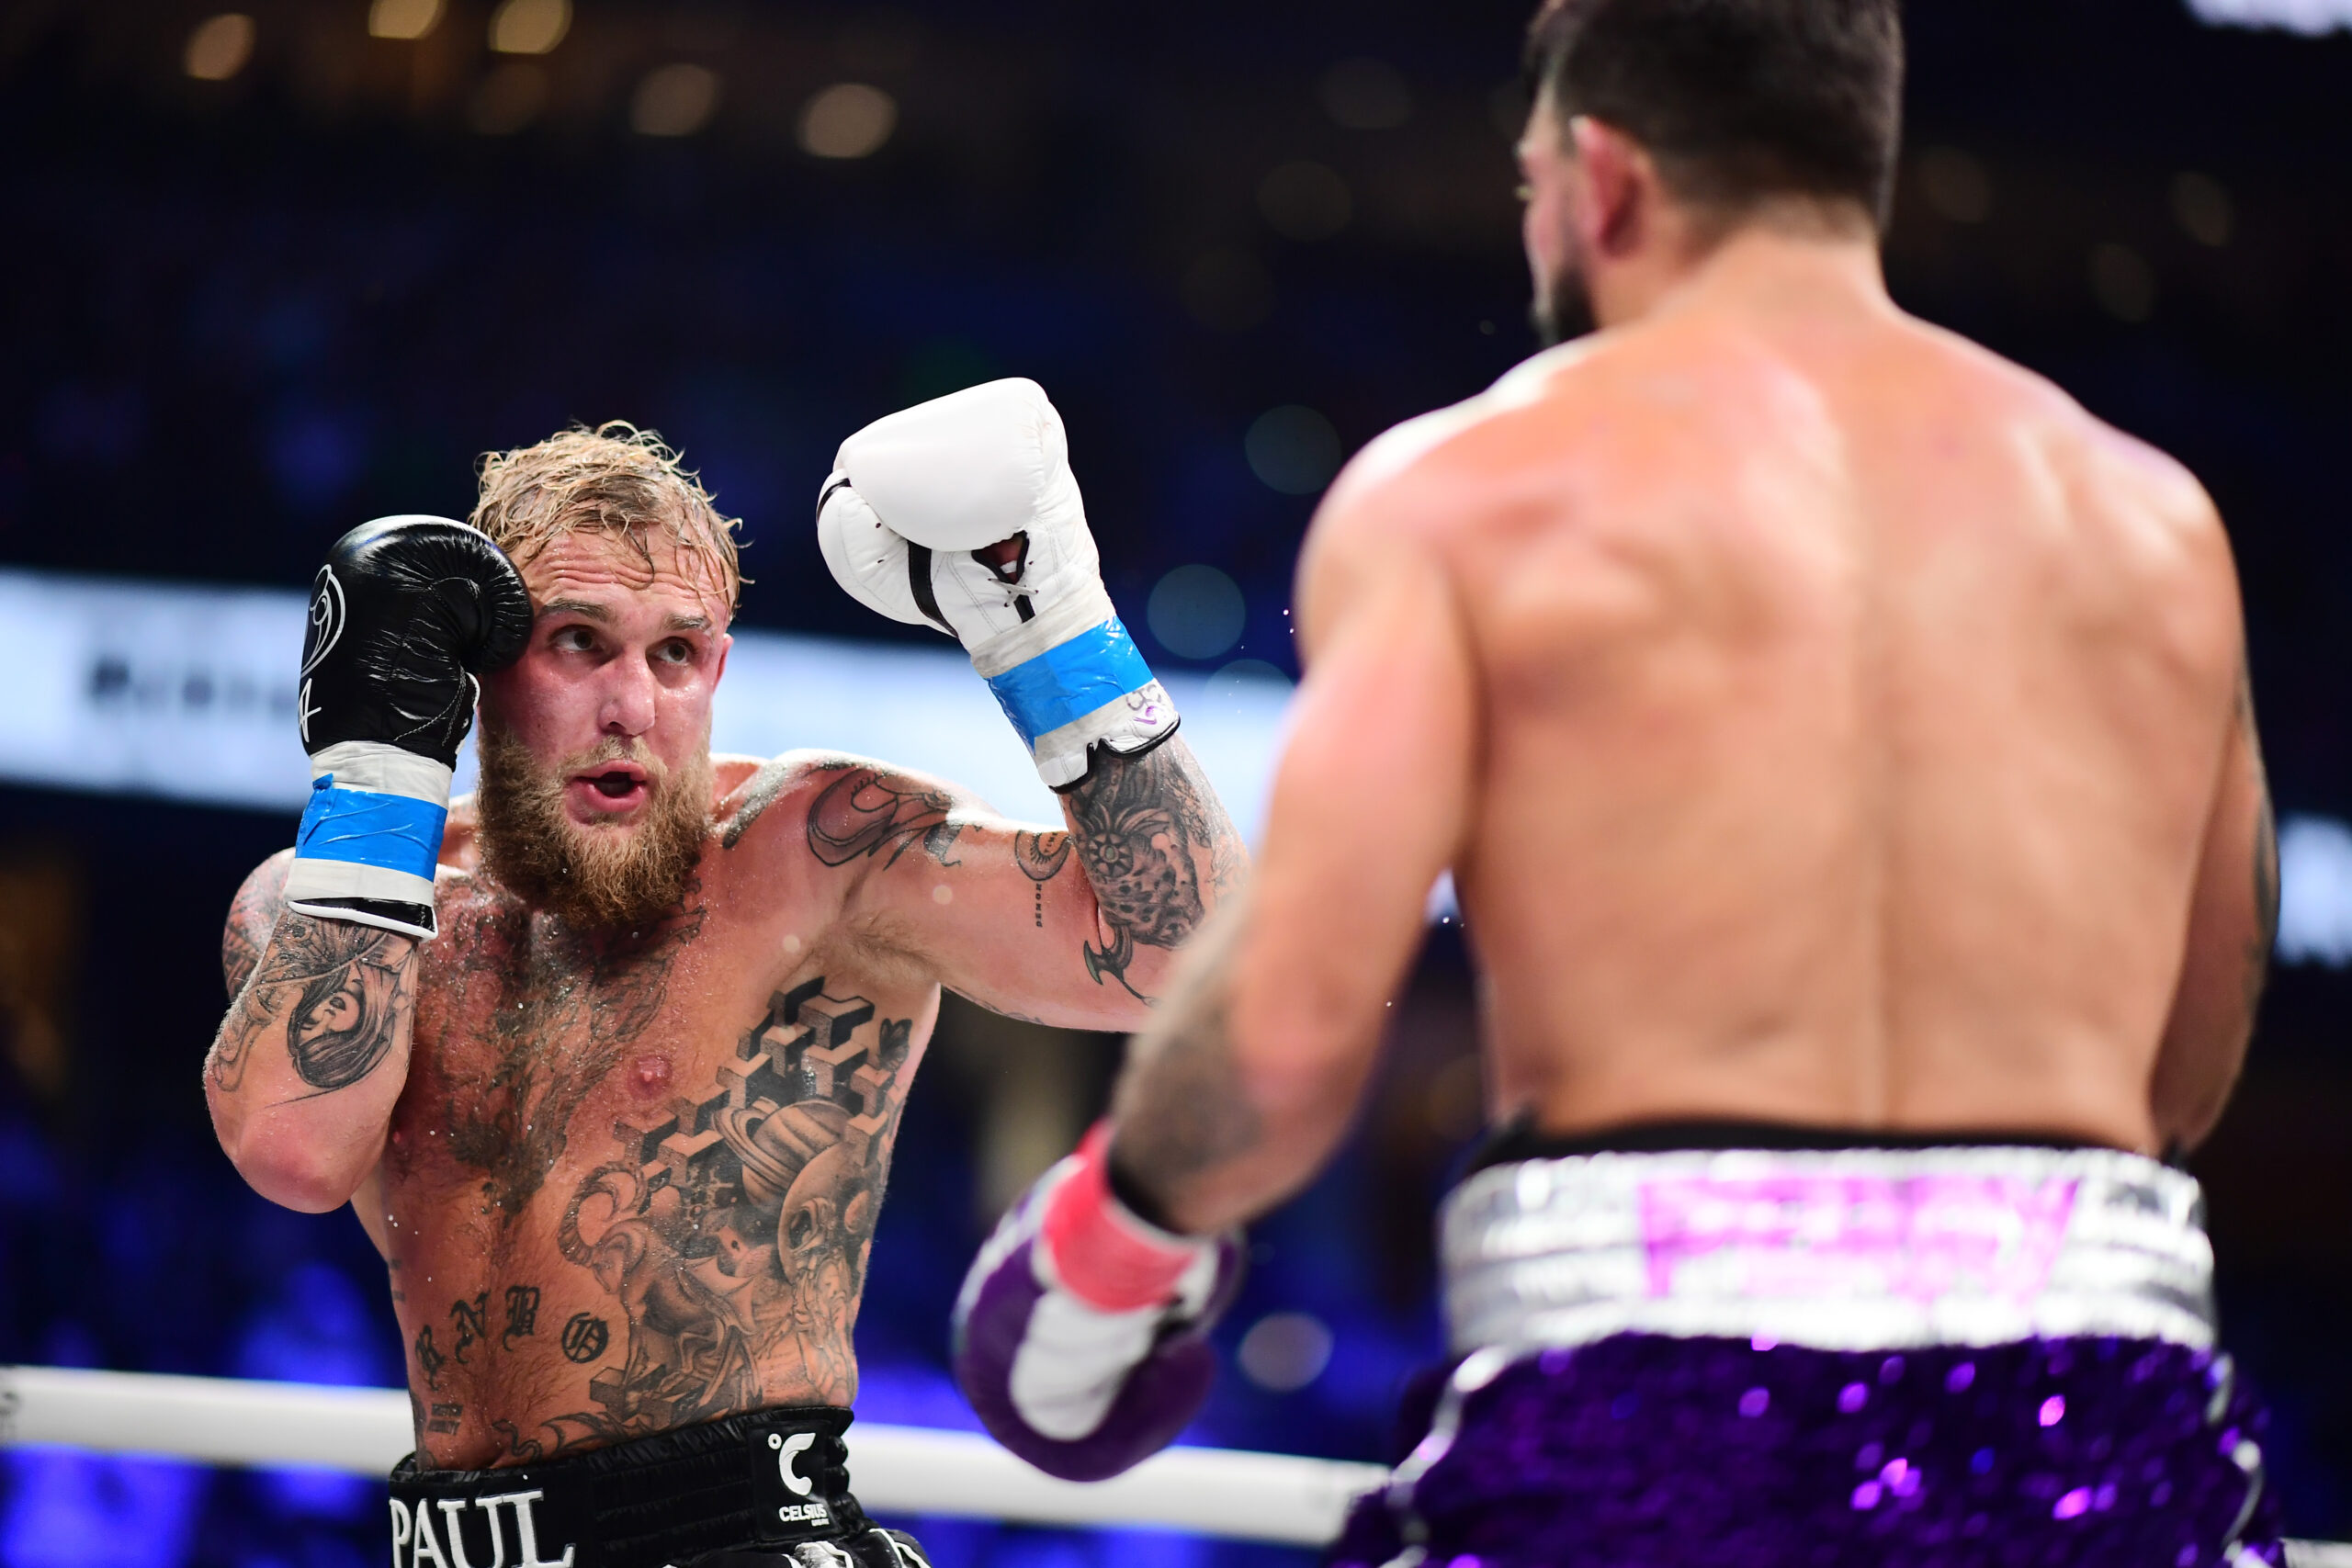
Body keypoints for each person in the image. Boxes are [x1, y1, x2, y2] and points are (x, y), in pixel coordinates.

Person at [953, 2, 2285, 1563]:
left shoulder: (1473, 496)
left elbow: (1290, 1036)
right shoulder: (2157, 528)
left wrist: (1106, 1250)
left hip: (1651, 1409)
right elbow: (2188, 1068)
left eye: (1530, 193)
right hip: (2103, 1423)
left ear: (1599, 175)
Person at [204, 383, 1244, 1568]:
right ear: (480, 657)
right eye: (579, 643)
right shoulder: (337, 901)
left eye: (677, 655)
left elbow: (1184, 957)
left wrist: (1045, 623)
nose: (633, 706)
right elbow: (292, 1150)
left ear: (720, 667)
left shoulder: (814, 851)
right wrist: (378, 769)